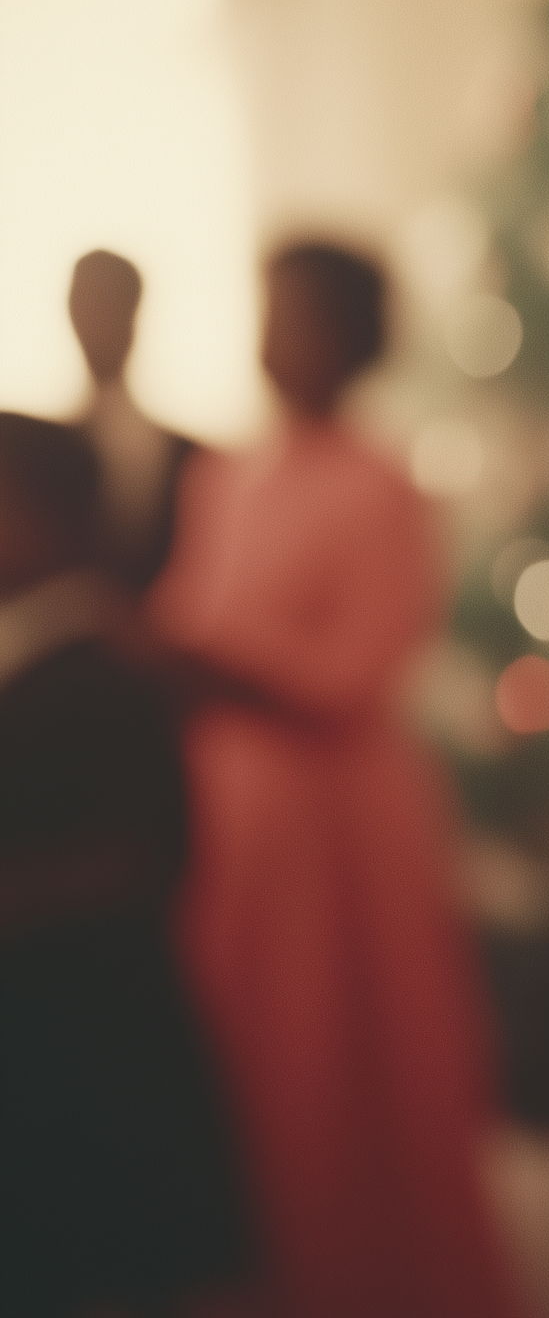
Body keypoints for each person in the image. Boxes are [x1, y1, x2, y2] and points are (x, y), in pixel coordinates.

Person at [149, 241, 520, 1318]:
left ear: (355, 340)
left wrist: (220, 663)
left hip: (337, 819)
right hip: (231, 807)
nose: (279, 340)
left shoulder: (385, 486)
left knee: (340, 1065)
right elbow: (188, 614)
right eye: (271, 314)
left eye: (302, 318)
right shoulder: (224, 475)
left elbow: (363, 663)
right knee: (242, 1055)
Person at [0, 412, 247, 1317]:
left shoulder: (104, 662)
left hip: (85, 1027)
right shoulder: (27, 646)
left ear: (58, 517)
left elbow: (140, 849)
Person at [69, 249, 196, 592]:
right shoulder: (46, 443)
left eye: (106, 304)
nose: (93, 320)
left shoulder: (186, 453)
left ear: (132, 311)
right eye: (83, 304)